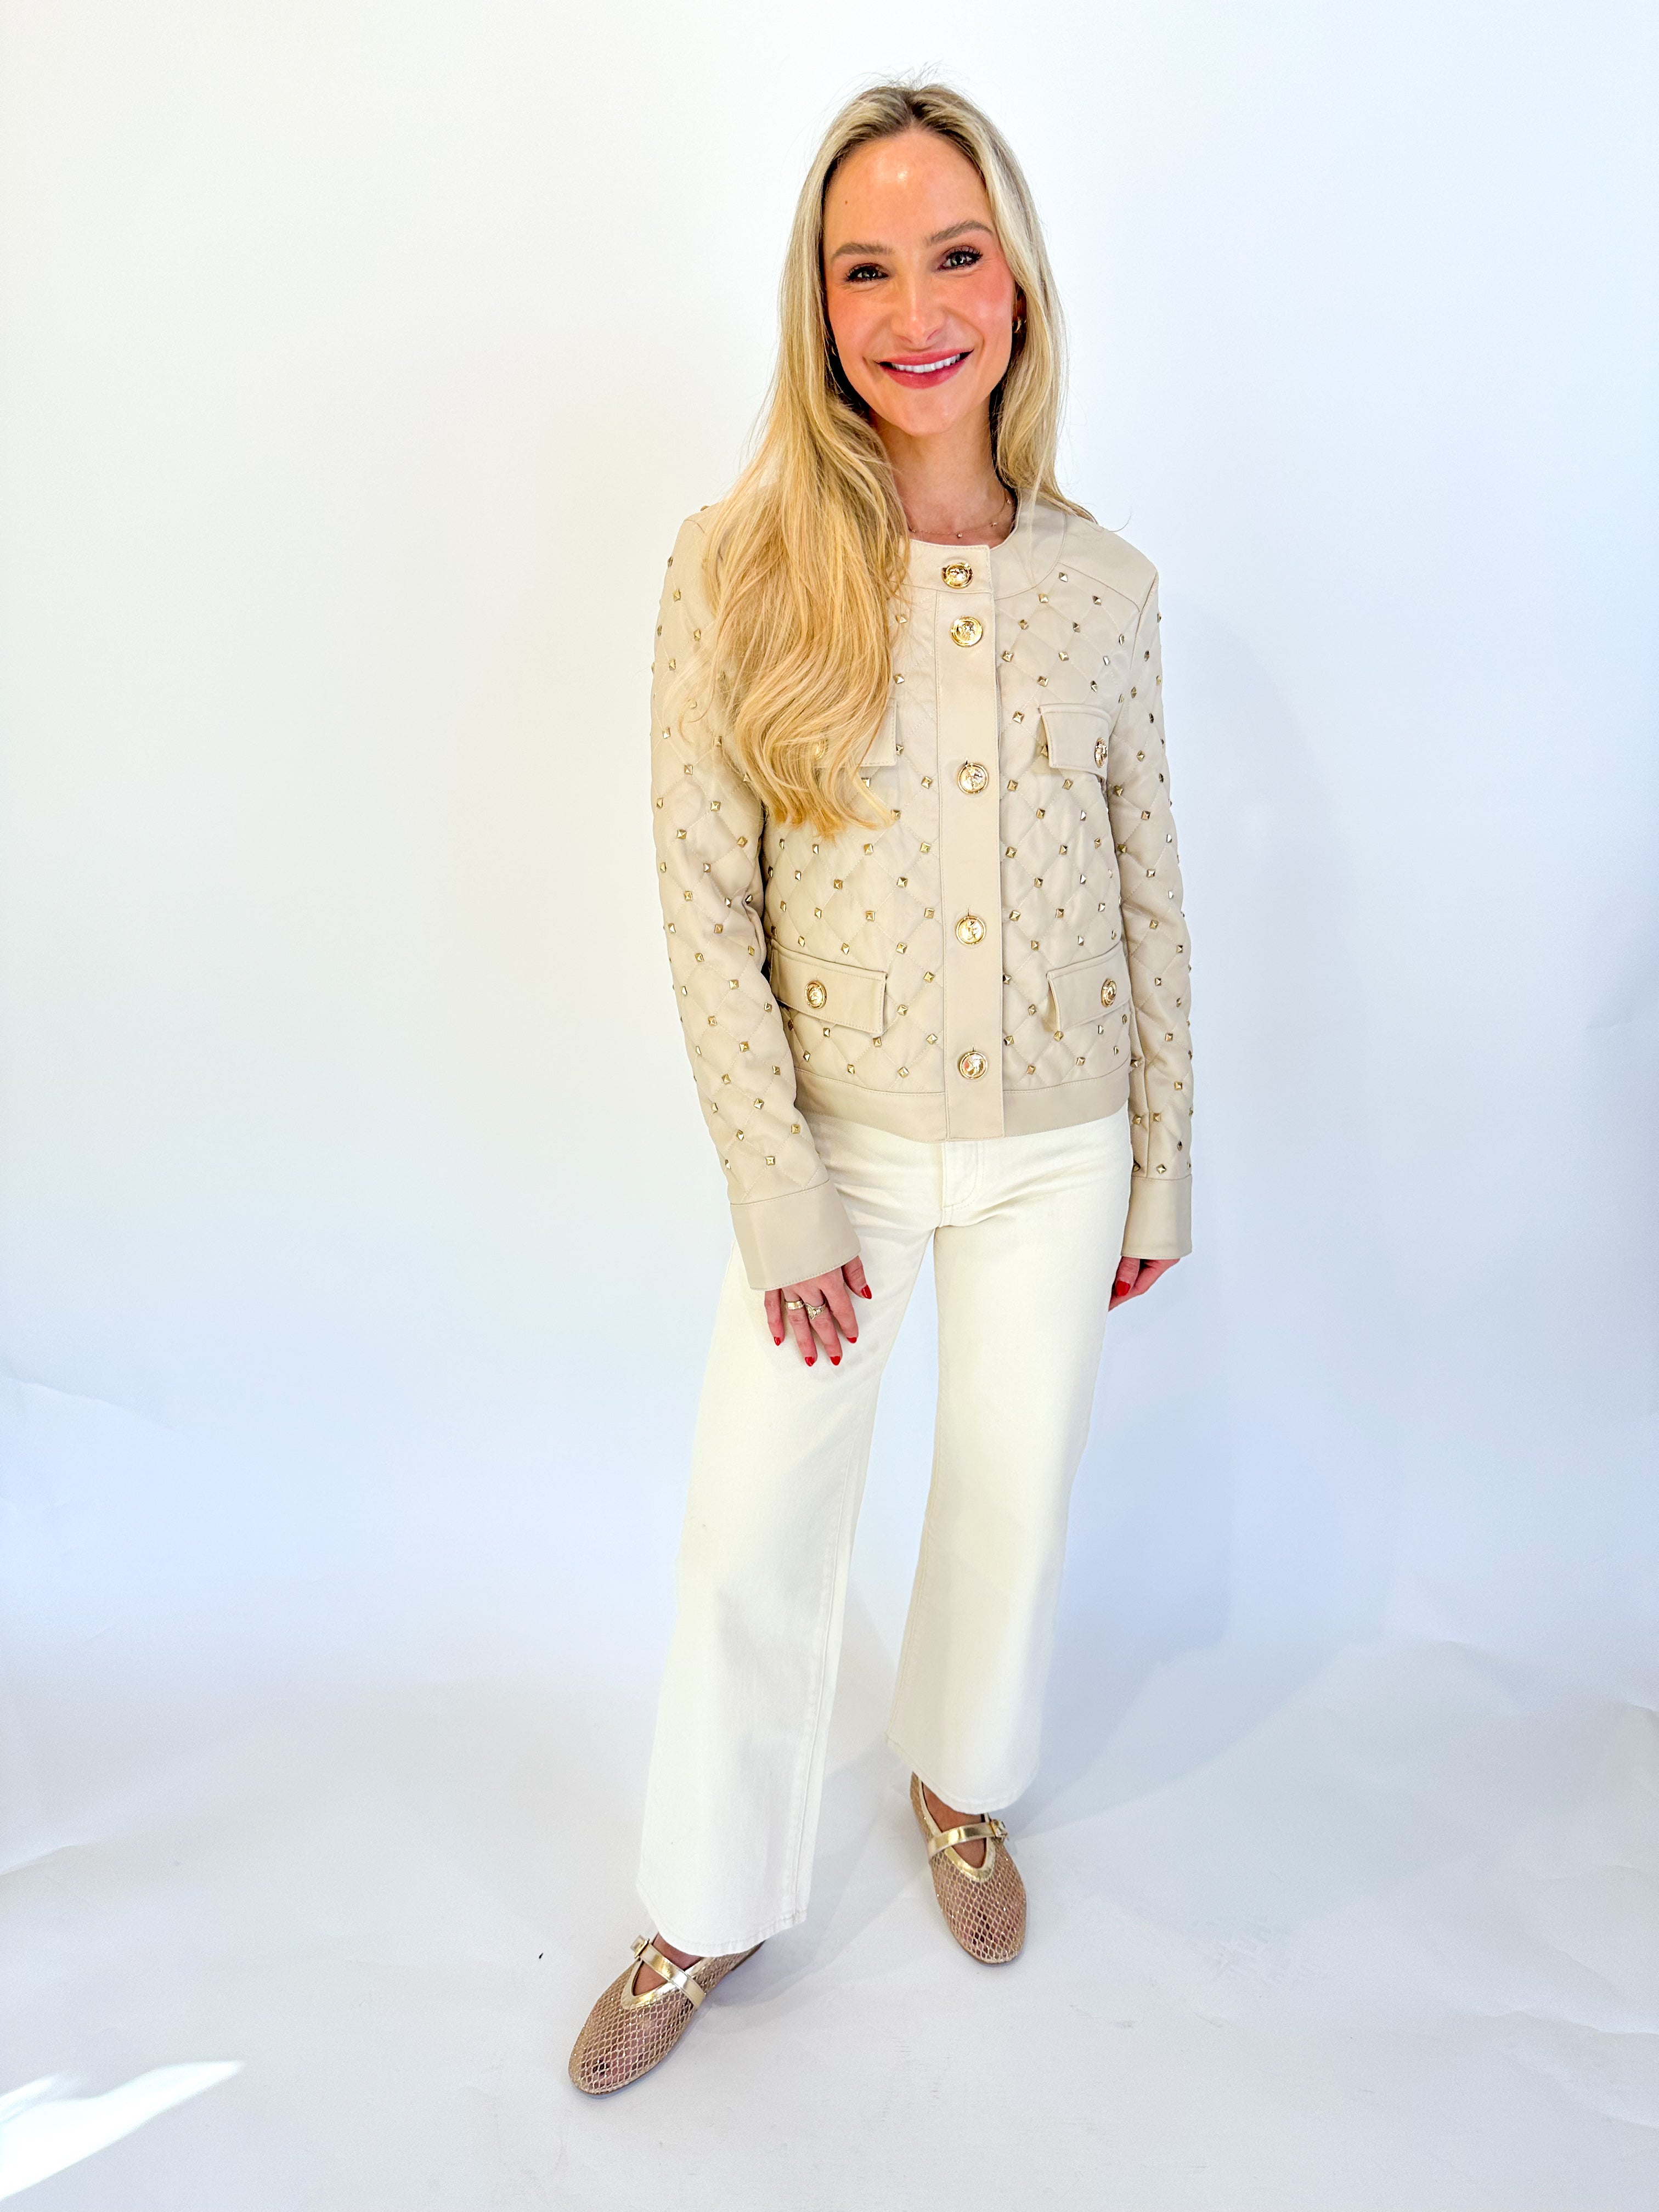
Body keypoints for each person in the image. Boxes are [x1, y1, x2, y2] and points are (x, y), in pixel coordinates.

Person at [569, 76, 1192, 2096]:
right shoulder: (737, 567)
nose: (915, 311)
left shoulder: (1106, 587)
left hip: (1058, 1152)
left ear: (1016, 283)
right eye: (865, 270)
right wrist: (780, 1190)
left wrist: (1160, 1169)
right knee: (752, 1534)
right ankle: (702, 1905)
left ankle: (959, 1784)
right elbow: (702, 900)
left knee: (1010, 1497)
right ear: (816, 304)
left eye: (954, 256)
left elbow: (1150, 886)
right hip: (829, 1157)